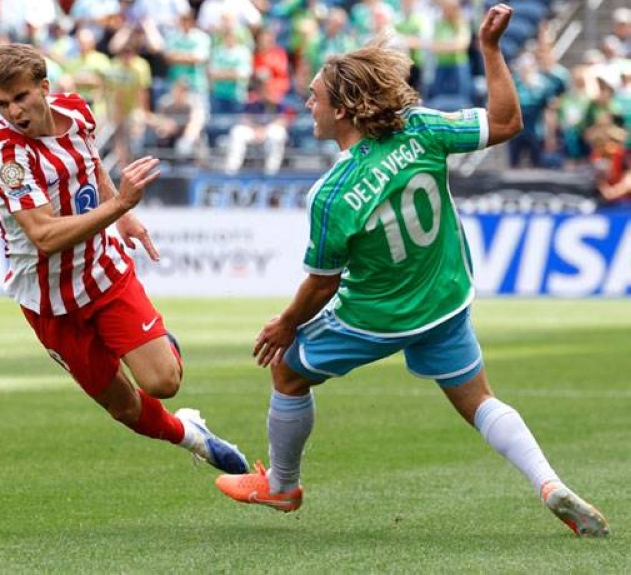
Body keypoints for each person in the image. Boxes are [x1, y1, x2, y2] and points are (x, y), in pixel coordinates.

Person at [215, 5, 610, 537]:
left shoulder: (331, 194)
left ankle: (282, 486)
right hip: (445, 300)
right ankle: (547, 483)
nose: (308, 103)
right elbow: (507, 122)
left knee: (287, 368)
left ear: (346, 110)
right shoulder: (422, 130)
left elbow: (323, 283)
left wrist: (286, 323)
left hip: (375, 317)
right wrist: (490, 51)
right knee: (479, 401)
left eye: (317, 96)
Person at [0, 43, 248, 476]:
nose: (13, 112)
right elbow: (44, 237)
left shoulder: (77, 110)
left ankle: (157, 352)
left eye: (21, 97)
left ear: (44, 88)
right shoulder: (8, 158)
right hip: (50, 300)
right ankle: (191, 434)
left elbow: (89, 166)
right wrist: (119, 206)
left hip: (104, 271)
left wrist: (124, 218)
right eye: (1, 104)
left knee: (163, 382)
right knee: (125, 408)